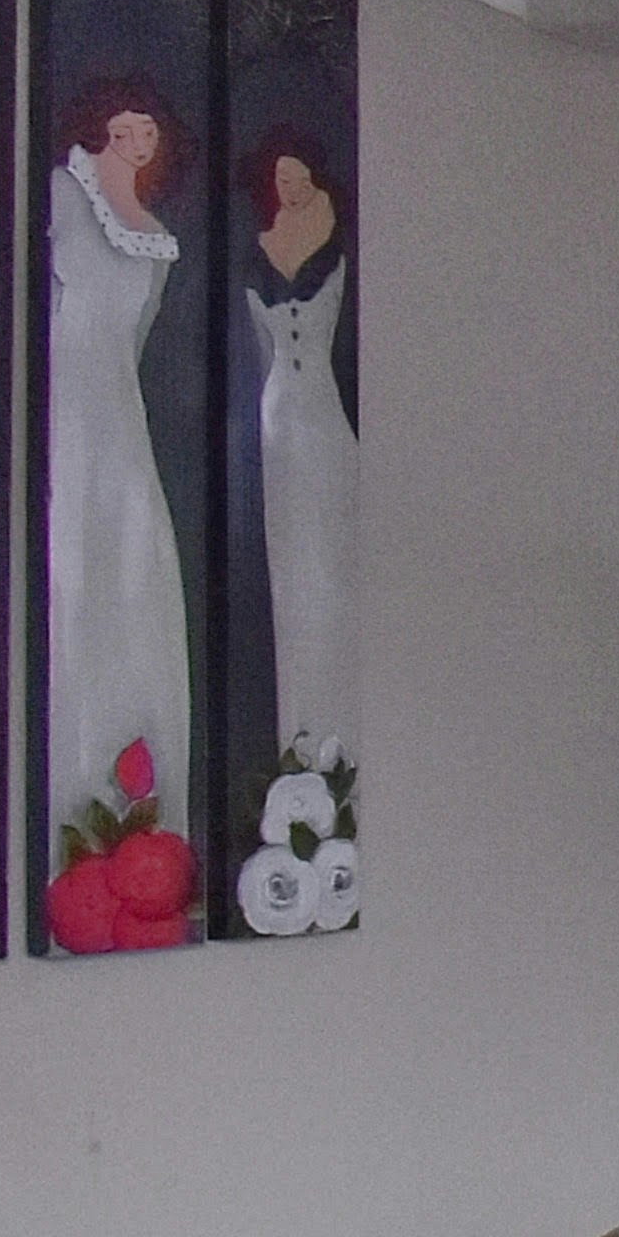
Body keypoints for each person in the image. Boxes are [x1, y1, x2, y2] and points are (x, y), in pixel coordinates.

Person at [47, 77, 192, 884]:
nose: (135, 143)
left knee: (134, 570)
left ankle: (142, 816)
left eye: (149, 135)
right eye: (126, 129)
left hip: (117, 413)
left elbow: (133, 339)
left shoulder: (156, 237)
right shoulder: (62, 195)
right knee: (72, 571)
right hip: (59, 403)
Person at [241, 133, 357, 776]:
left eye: (298, 176)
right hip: (276, 421)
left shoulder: (342, 242)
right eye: (279, 179)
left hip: (325, 413)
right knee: (290, 575)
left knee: (332, 568)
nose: (289, 187)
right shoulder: (259, 249)